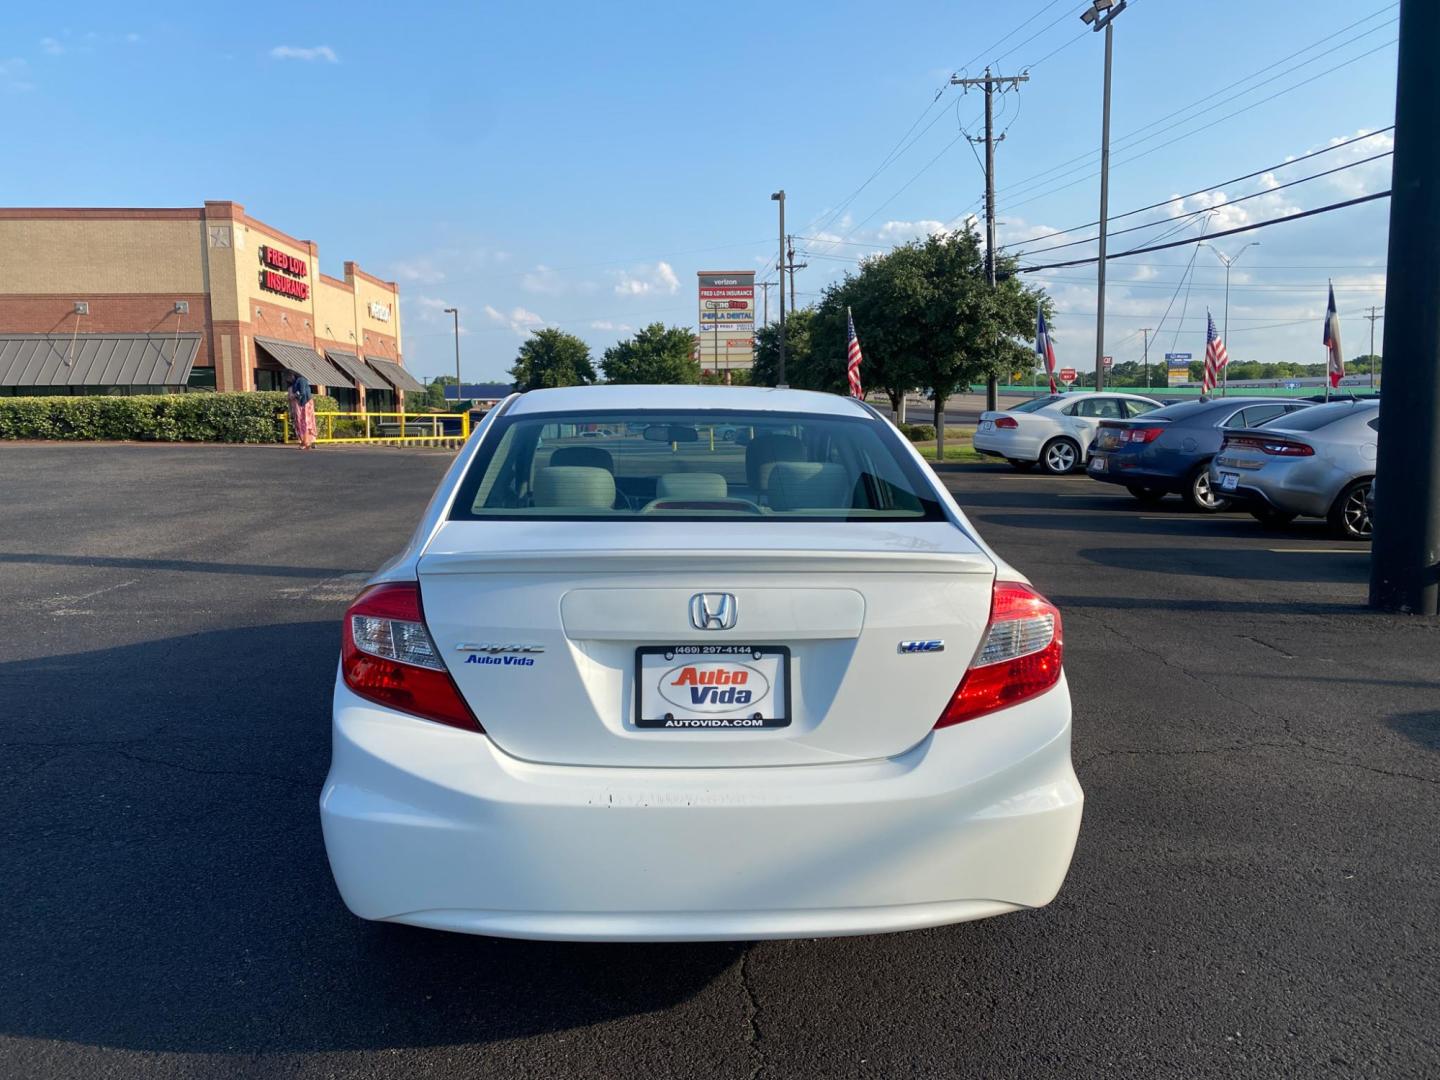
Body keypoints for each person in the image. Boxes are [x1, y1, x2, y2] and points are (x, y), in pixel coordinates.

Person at [287, 373, 318, 450]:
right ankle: (307, 441)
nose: (288, 378)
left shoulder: (301, 380)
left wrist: (293, 395)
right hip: (299, 405)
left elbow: (302, 392)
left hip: (304, 404)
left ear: (293, 375)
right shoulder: (294, 383)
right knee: (301, 423)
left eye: (289, 376)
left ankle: (306, 442)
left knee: (305, 422)